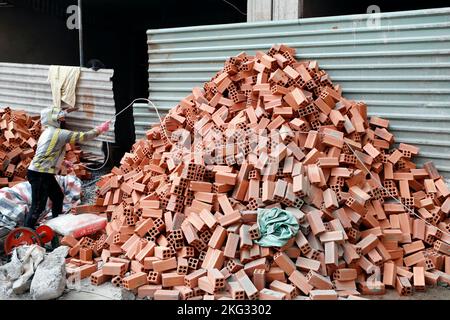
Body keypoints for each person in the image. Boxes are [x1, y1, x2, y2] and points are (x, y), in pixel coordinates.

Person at [24, 106, 110, 229]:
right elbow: (83, 136)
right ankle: (27, 234)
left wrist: (63, 162)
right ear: (53, 120)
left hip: (42, 173)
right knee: (38, 206)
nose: (63, 120)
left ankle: (56, 225)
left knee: (57, 197)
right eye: (60, 118)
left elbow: (47, 152)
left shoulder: (47, 132)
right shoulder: (58, 133)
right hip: (39, 174)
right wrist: (99, 129)